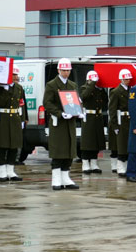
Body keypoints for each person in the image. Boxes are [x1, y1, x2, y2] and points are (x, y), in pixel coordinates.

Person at [43, 58, 83, 190]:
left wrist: (79, 111)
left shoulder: (72, 85)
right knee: (58, 150)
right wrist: (59, 113)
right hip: (58, 122)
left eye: (68, 70)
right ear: (59, 70)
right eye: (64, 70)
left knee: (69, 149)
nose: (66, 72)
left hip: (70, 121)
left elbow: (75, 100)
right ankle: (56, 178)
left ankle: (66, 177)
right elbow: (47, 103)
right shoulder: (52, 84)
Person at [0, 66, 26, 182]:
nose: (16, 77)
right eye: (13, 75)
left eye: (16, 75)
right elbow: (1, 102)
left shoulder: (19, 88)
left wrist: (23, 119)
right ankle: (2, 172)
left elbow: (22, 104)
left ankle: (11, 171)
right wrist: (6, 89)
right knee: (3, 146)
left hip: (15, 118)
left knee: (14, 146)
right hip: (3, 118)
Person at [80, 70, 108, 175]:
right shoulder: (84, 88)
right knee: (88, 142)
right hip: (89, 117)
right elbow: (84, 96)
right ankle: (85, 163)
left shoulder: (98, 90)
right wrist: (92, 84)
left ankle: (94, 162)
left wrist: (101, 89)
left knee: (96, 141)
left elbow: (105, 101)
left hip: (98, 117)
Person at [109, 69, 133, 177]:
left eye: (129, 79)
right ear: (121, 79)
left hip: (130, 119)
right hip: (121, 120)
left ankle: (127, 166)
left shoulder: (131, 90)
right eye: (126, 79)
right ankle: (120, 167)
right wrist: (114, 125)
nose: (128, 81)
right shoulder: (116, 91)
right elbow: (112, 109)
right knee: (122, 145)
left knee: (129, 144)